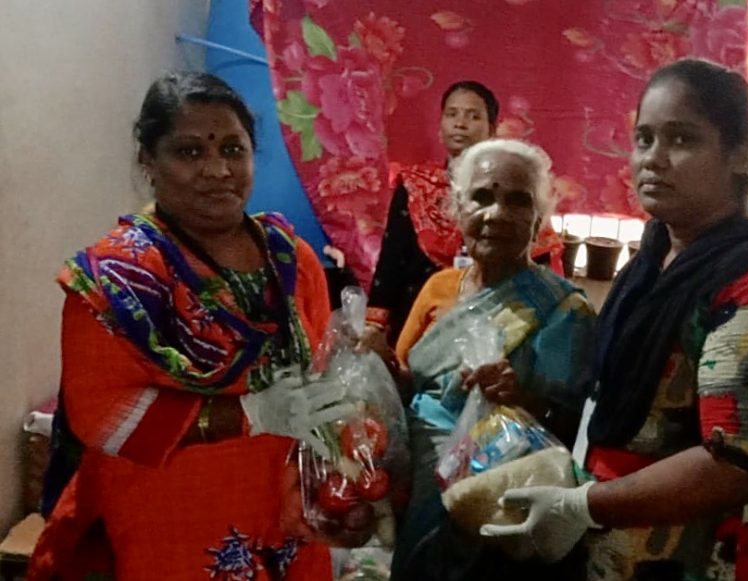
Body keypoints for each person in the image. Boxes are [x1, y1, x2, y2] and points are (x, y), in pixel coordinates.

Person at [481, 59, 748, 580]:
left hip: (702, 554)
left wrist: (582, 507)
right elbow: (611, 394)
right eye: (644, 139)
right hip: (617, 537)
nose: (653, 159)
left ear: (740, 159)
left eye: (682, 139)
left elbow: (736, 465)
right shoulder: (654, 258)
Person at [30, 72, 349, 579]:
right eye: (190, 152)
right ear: (148, 161)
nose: (218, 169)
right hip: (171, 528)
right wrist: (249, 413)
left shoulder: (292, 257)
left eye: (232, 148)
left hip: (285, 523)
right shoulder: (118, 278)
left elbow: (318, 374)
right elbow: (103, 416)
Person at [369, 139, 595, 580]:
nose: (496, 213)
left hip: (497, 500)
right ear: (458, 209)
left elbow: (571, 429)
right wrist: (375, 368)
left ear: (538, 222)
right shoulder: (440, 288)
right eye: (482, 197)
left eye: (517, 200)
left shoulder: (565, 310)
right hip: (421, 486)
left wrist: (519, 396)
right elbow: (412, 389)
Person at [365, 81, 563, 346]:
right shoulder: (415, 186)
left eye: (473, 116)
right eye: (452, 114)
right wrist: (374, 325)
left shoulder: (518, 188)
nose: (460, 123)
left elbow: (541, 268)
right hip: (419, 318)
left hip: (498, 325)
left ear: (492, 129)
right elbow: (392, 262)